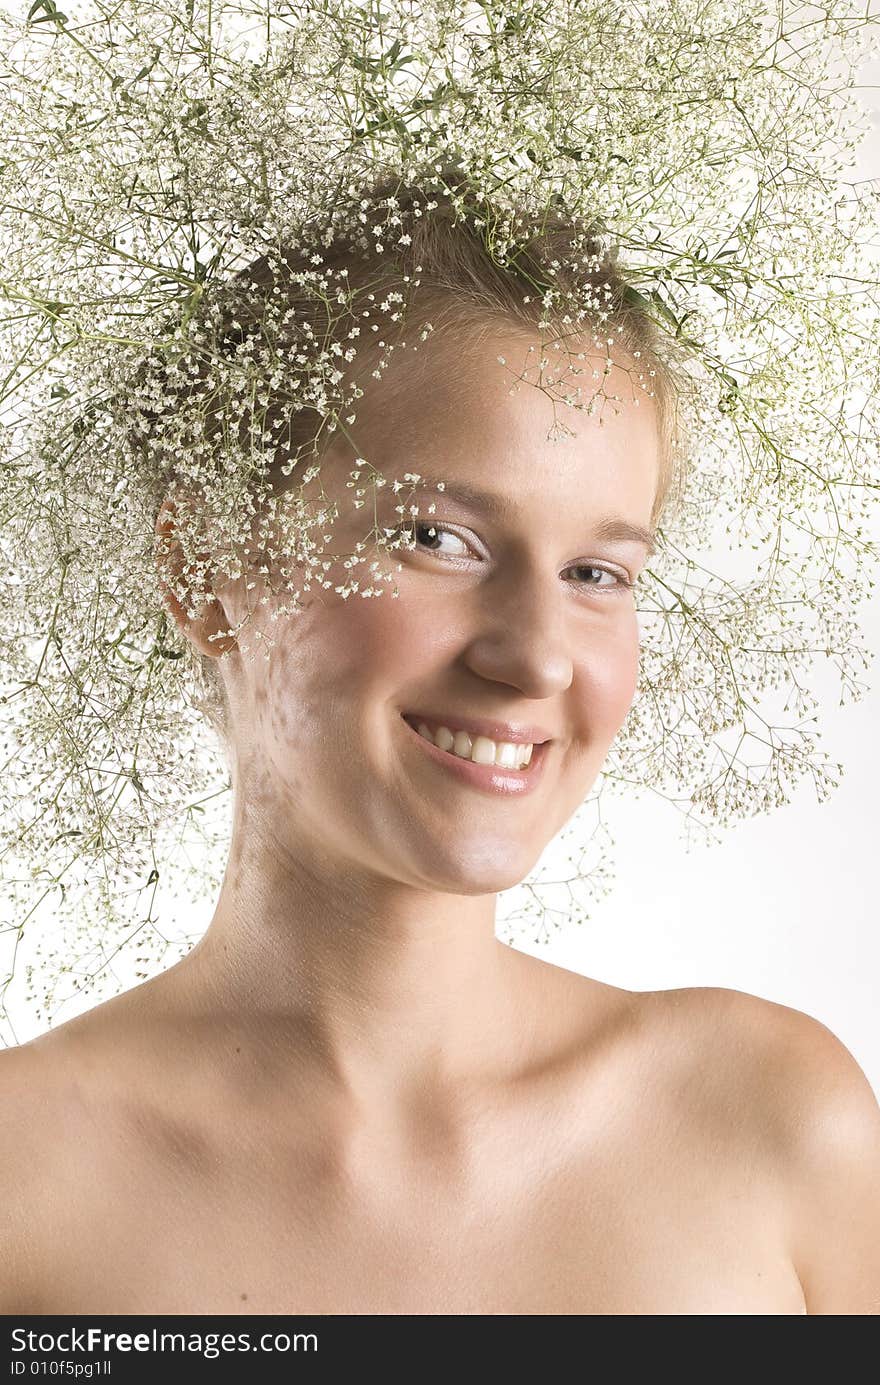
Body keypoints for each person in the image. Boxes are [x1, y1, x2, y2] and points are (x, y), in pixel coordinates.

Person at [2, 197, 879, 1316]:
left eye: (596, 573)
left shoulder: (774, 1121)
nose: (535, 658)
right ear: (205, 565)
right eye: (436, 538)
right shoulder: (22, 1185)